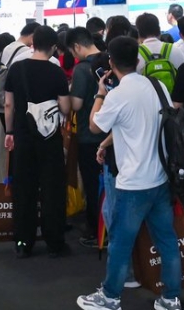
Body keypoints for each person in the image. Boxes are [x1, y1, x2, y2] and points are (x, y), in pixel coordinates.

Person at [78, 36, 182, 310]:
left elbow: (94, 125)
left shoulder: (117, 95)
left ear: (111, 63)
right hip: (161, 177)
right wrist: (106, 144)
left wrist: (100, 93)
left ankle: (110, 297)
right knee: (167, 241)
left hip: (133, 183)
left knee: (120, 244)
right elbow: (138, 123)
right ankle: (171, 298)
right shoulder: (157, 86)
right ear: (137, 60)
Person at [3, 24, 71, 257]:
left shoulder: (16, 69)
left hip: (23, 136)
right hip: (49, 138)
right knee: (52, 188)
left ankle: (23, 242)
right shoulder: (56, 72)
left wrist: (9, 131)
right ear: (53, 47)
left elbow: (8, 104)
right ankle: (54, 241)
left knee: (24, 189)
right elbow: (65, 107)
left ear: (32, 43)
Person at [67, 27, 106, 247]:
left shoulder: (82, 69)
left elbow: (76, 104)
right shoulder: (110, 60)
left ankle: (95, 230)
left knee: (92, 186)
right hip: (113, 134)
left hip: (89, 136)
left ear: (77, 47)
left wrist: (67, 94)